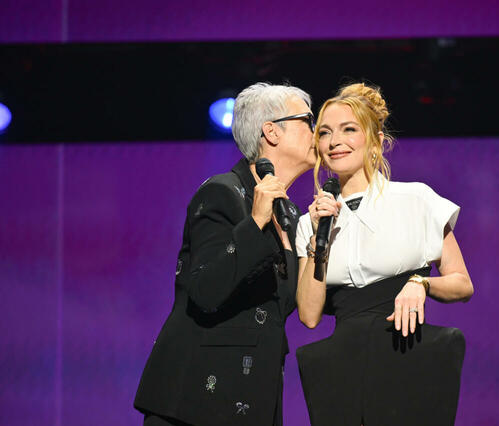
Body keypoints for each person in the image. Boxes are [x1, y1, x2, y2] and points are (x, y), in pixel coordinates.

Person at [134, 82, 316, 426]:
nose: (316, 130)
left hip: (252, 398)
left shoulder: (290, 215)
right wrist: (256, 223)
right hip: (197, 403)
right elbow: (205, 290)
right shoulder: (222, 193)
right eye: (308, 120)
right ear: (271, 132)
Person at [294, 83, 474, 425]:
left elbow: (462, 284)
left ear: (375, 140)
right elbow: (309, 315)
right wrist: (320, 240)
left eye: (349, 129)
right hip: (343, 371)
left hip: (408, 356)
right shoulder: (310, 223)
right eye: (325, 132)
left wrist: (421, 283)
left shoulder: (416, 200)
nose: (335, 141)